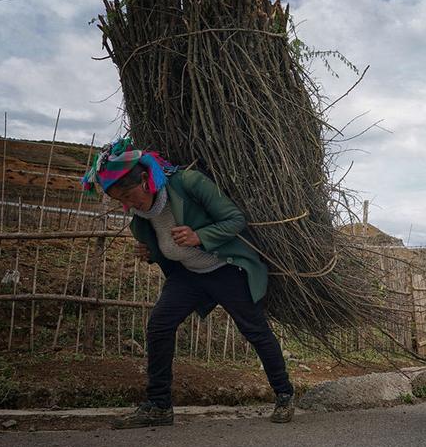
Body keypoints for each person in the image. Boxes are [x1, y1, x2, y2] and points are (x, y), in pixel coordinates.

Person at [81, 138, 294, 429]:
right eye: (120, 201)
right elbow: (165, 248)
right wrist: (150, 253)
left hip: (225, 268)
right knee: (159, 324)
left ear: (145, 180)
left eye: (129, 196)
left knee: (254, 329)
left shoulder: (188, 183)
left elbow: (234, 219)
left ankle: (284, 394)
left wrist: (200, 236)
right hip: (187, 276)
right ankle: (158, 406)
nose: (127, 205)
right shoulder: (139, 219)